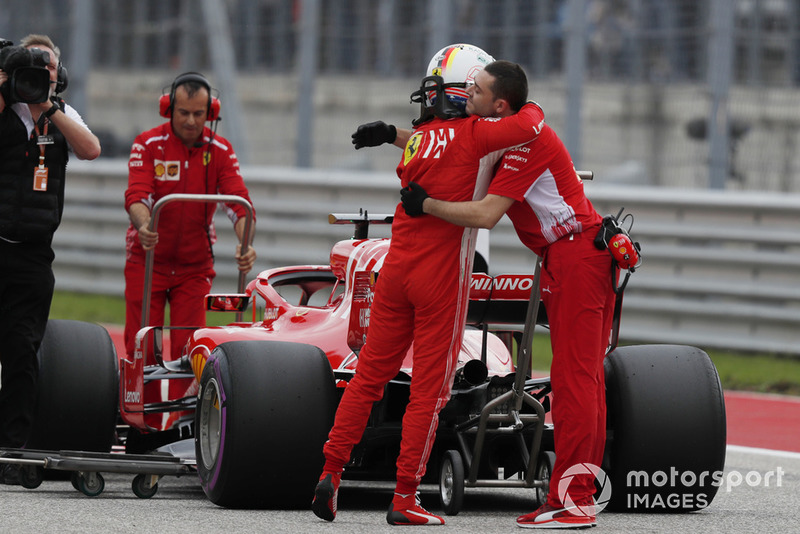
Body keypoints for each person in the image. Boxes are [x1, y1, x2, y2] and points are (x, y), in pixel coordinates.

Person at [312, 44, 543, 526]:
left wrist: (388, 133)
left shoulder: (420, 139)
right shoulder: (480, 135)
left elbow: (427, 139)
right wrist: (522, 95)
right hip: (442, 277)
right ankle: (403, 498)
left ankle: (331, 472)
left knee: (369, 378)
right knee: (429, 393)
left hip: (396, 269)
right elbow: (528, 123)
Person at [399, 61, 617, 529]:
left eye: (474, 90)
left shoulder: (523, 143)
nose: (466, 95)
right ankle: (575, 494)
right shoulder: (509, 133)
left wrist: (427, 206)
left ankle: (574, 502)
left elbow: (484, 216)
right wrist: (394, 137)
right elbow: (454, 146)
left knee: (576, 383)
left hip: (578, 256)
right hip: (577, 255)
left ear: (498, 104)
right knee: (584, 382)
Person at [0, 34, 101, 484]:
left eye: (49, 69)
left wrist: (48, 108)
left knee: (22, 350)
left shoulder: (62, 113)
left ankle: (12, 450)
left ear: (59, 74)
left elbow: (90, 149)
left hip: (34, 256)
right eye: (32, 68)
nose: (41, 76)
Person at [123, 72, 256, 376]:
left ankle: (186, 414)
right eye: (184, 113)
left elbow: (239, 203)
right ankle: (138, 414)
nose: (192, 122)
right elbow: (136, 195)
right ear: (168, 109)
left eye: (199, 114)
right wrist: (145, 226)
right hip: (148, 261)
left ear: (211, 113)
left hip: (194, 268)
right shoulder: (147, 144)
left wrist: (246, 242)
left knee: (191, 352)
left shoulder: (221, 151)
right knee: (141, 348)